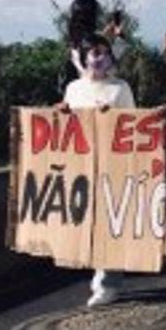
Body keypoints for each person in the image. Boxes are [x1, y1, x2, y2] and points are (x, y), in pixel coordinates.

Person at [57, 34, 137, 308]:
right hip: (81, 167)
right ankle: (101, 272)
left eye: (103, 51)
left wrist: (111, 117)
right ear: (83, 57)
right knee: (88, 222)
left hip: (112, 165)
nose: (98, 57)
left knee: (108, 223)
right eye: (93, 51)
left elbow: (133, 126)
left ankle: (109, 282)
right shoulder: (73, 89)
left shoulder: (120, 88)